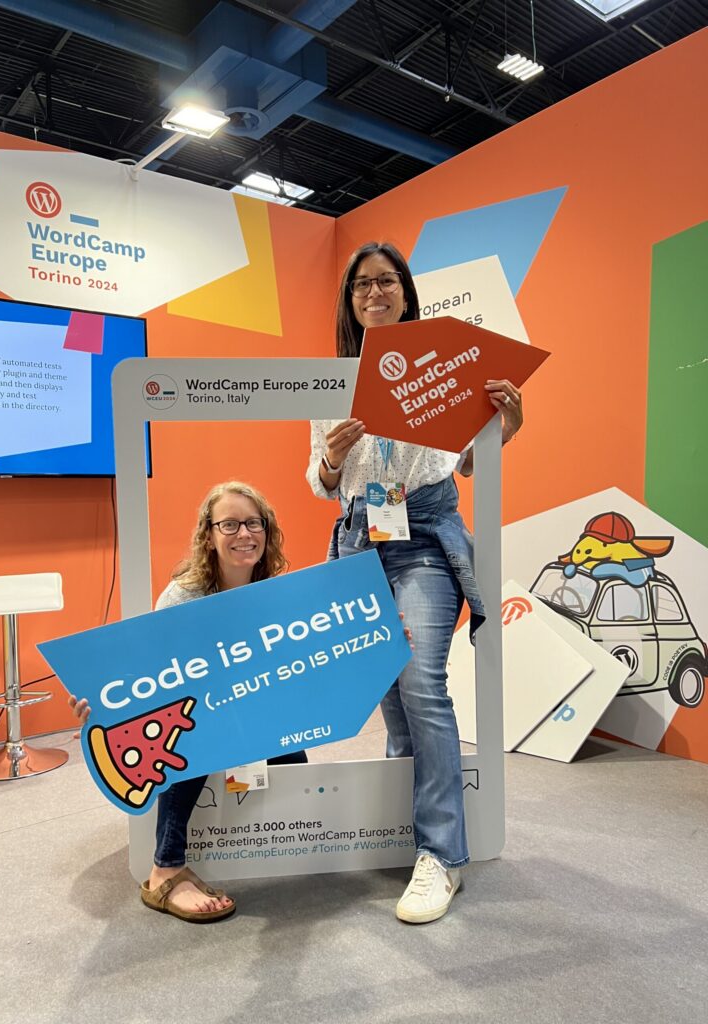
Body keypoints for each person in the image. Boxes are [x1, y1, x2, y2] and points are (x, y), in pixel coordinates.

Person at [306, 241, 524, 925]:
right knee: (389, 692)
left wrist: (505, 426)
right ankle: (411, 815)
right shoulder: (330, 380)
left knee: (422, 680)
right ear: (350, 300)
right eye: (362, 284)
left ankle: (441, 854)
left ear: (405, 292)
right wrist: (331, 460)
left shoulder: (445, 372)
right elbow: (318, 484)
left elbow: (464, 465)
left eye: (386, 281)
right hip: (358, 541)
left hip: (426, 540)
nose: (375, 292)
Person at [69, 480, 307, 923]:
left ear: (267, 530)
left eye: (253, 523)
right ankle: (165, 870)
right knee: (193, 746)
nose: (244, 534)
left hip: (255, 710)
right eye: (230, 524)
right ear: (209, 535)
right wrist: (98, 701)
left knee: (296, 763)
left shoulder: (274, 592)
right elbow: (148, 670)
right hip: (199, 718)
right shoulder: (184, 595)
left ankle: (269, 846)